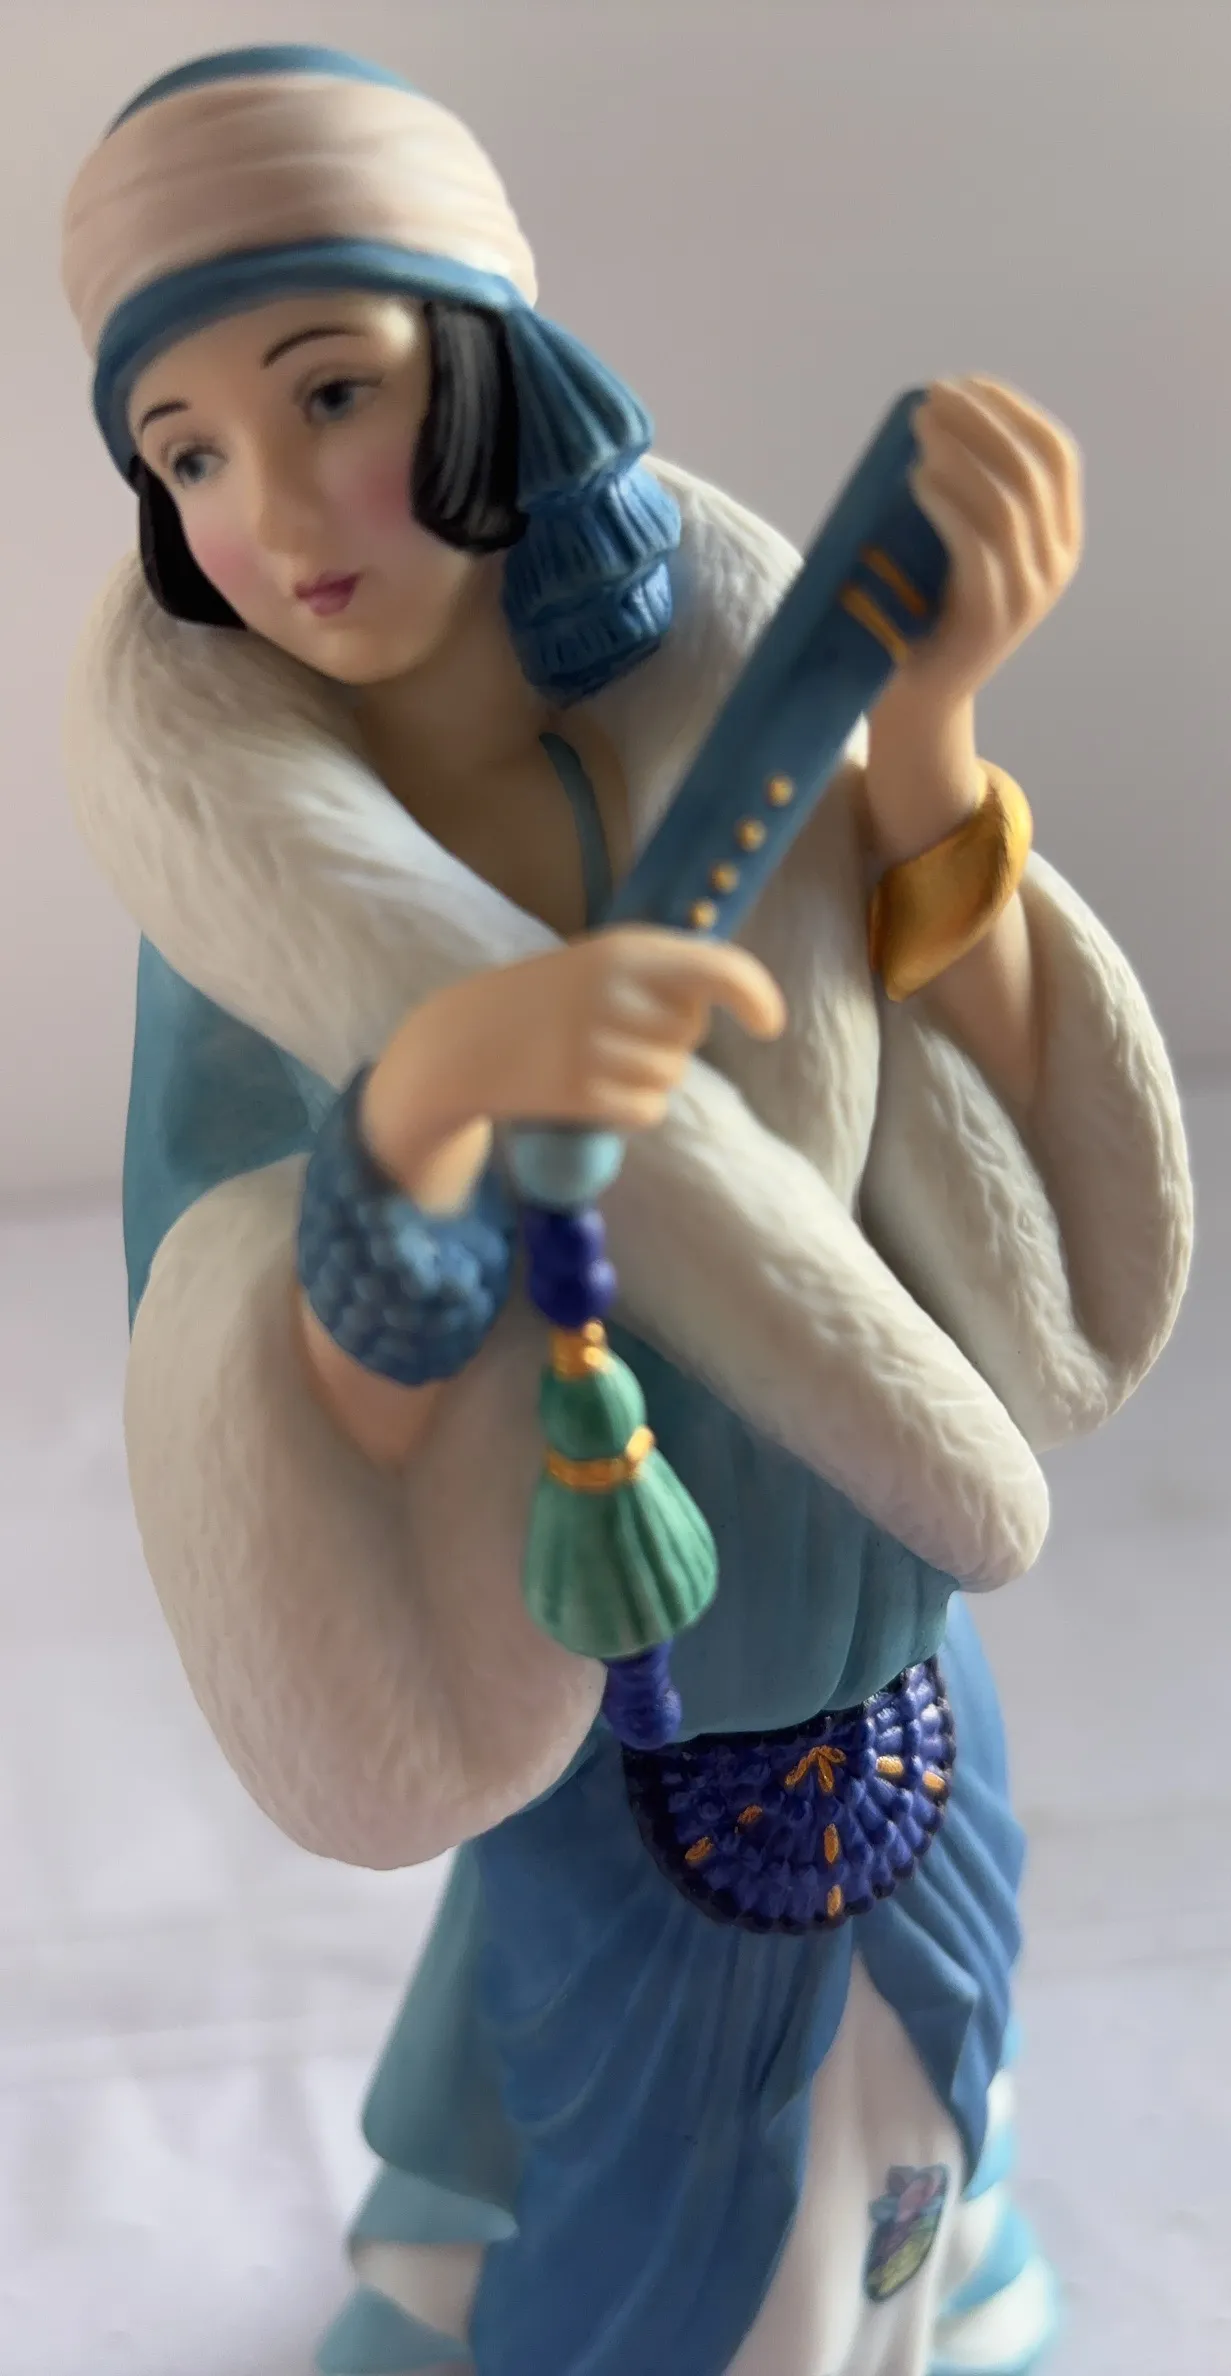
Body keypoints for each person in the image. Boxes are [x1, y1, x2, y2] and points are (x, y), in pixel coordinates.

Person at [60, 42, 1192, 2376]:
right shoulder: (250, 910)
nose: (275, 506)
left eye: (331, 392)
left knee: (921, 2099)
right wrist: (425, 1107)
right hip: (609, 1689)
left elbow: (981, 1121)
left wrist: (928, 736)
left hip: (885, 1615)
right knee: (652, 2197)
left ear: (487, 370)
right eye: (188, 453)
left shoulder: (735, 688)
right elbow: (261, 1391)